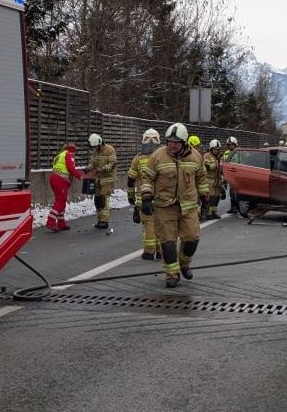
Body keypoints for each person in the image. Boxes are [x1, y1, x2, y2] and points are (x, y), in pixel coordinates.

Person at [139, 123, 209, 288]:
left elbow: (201, 177)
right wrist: (146, 197)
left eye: (176, 142)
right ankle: (172, 274)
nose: (172, 145)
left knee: (192, 239)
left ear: (184, 142)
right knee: (168, 242)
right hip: (165, 206)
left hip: (189, 206)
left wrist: (205, 196)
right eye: (169, 141)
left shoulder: (196, 157)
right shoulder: (158, 156)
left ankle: (184, 264)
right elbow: (147, 177)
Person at [126, 128, 162, 259]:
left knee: (149, 226)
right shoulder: (163, 157)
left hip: (143, 199)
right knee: (161, 225)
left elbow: (131, 179)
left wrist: (130, 196)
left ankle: (149, 251)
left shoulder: (138, 159)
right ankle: (161, 251)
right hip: (161, 199)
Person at [47, 142, 81, 232]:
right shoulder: (68, 155)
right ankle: (50, 222)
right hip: (60, 179)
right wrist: (79, 176)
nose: (74, 154)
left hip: (54, 178)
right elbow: (70, 168)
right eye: (74, 151)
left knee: (61, 200)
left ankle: (61, 223)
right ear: (72, 150)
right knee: (60, 201)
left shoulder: (59, 155)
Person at [87, 133, 118, 230]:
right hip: (99, 178)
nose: (96, 148)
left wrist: (103, 169)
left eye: (97, 146)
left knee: (104, 199)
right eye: (94, 147)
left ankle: (104, 221)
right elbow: (93, 162)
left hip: (108, 178)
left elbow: (112, 163)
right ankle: (100, 219)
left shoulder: (109, 149)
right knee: (97, 199)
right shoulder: (96, 151)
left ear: (100, 143)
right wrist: (88, 168)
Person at [203, 139, 223, 220]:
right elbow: (207, 166)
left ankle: (214, 212)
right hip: (209, 179)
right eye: (215, 149)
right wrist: (216, 165)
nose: (217, 151)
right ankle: (208, 213)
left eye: (218, 149)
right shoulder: (207, 155)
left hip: (217, 180)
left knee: (217, 197)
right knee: (210, 197)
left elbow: (222, 167)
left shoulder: (219, 156)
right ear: (211, 148)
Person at [222, 137, 240, 213]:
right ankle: (232, 207)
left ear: (235, 145)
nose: (229, 146)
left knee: (237, 192)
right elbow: (223, 163)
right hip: (230, 175)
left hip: (238, 175)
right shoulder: (226, 153)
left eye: (231, 145)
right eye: (228, 145)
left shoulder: (239, 152)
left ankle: (237, 207)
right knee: (231, 192)